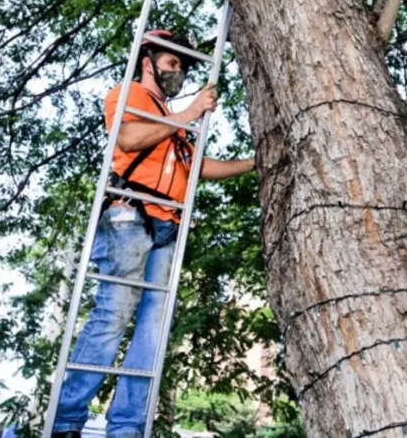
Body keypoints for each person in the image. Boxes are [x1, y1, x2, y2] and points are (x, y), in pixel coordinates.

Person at [51, 30, 255, 438]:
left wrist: (254, 162)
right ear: (149, 60)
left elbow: (198, 168)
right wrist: (189, 112)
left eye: (181, 66)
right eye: (172, 62)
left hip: (169, 224)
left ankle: (126, 427)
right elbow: (126, 138)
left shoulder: (173, 126)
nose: (178, 72)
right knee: (113, 314)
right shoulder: (129, 93)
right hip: (130, 216)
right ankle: (65, 420)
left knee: (153, 329)